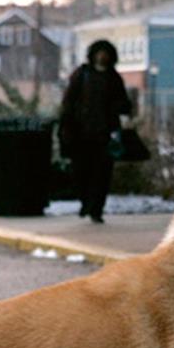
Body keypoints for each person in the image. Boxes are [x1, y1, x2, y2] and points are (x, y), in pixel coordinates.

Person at [58, 39, 132, 223]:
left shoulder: (114, 78)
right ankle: (85, 202)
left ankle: (96, 209)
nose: (102, 56)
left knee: (102, 174)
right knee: (80, 172)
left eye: (105, 53)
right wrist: (66, 127)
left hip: (105, 135)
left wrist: (117, 111)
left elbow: (125, 104)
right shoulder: (81, 75)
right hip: (80, 134)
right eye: (99, 52)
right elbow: (68, 102)